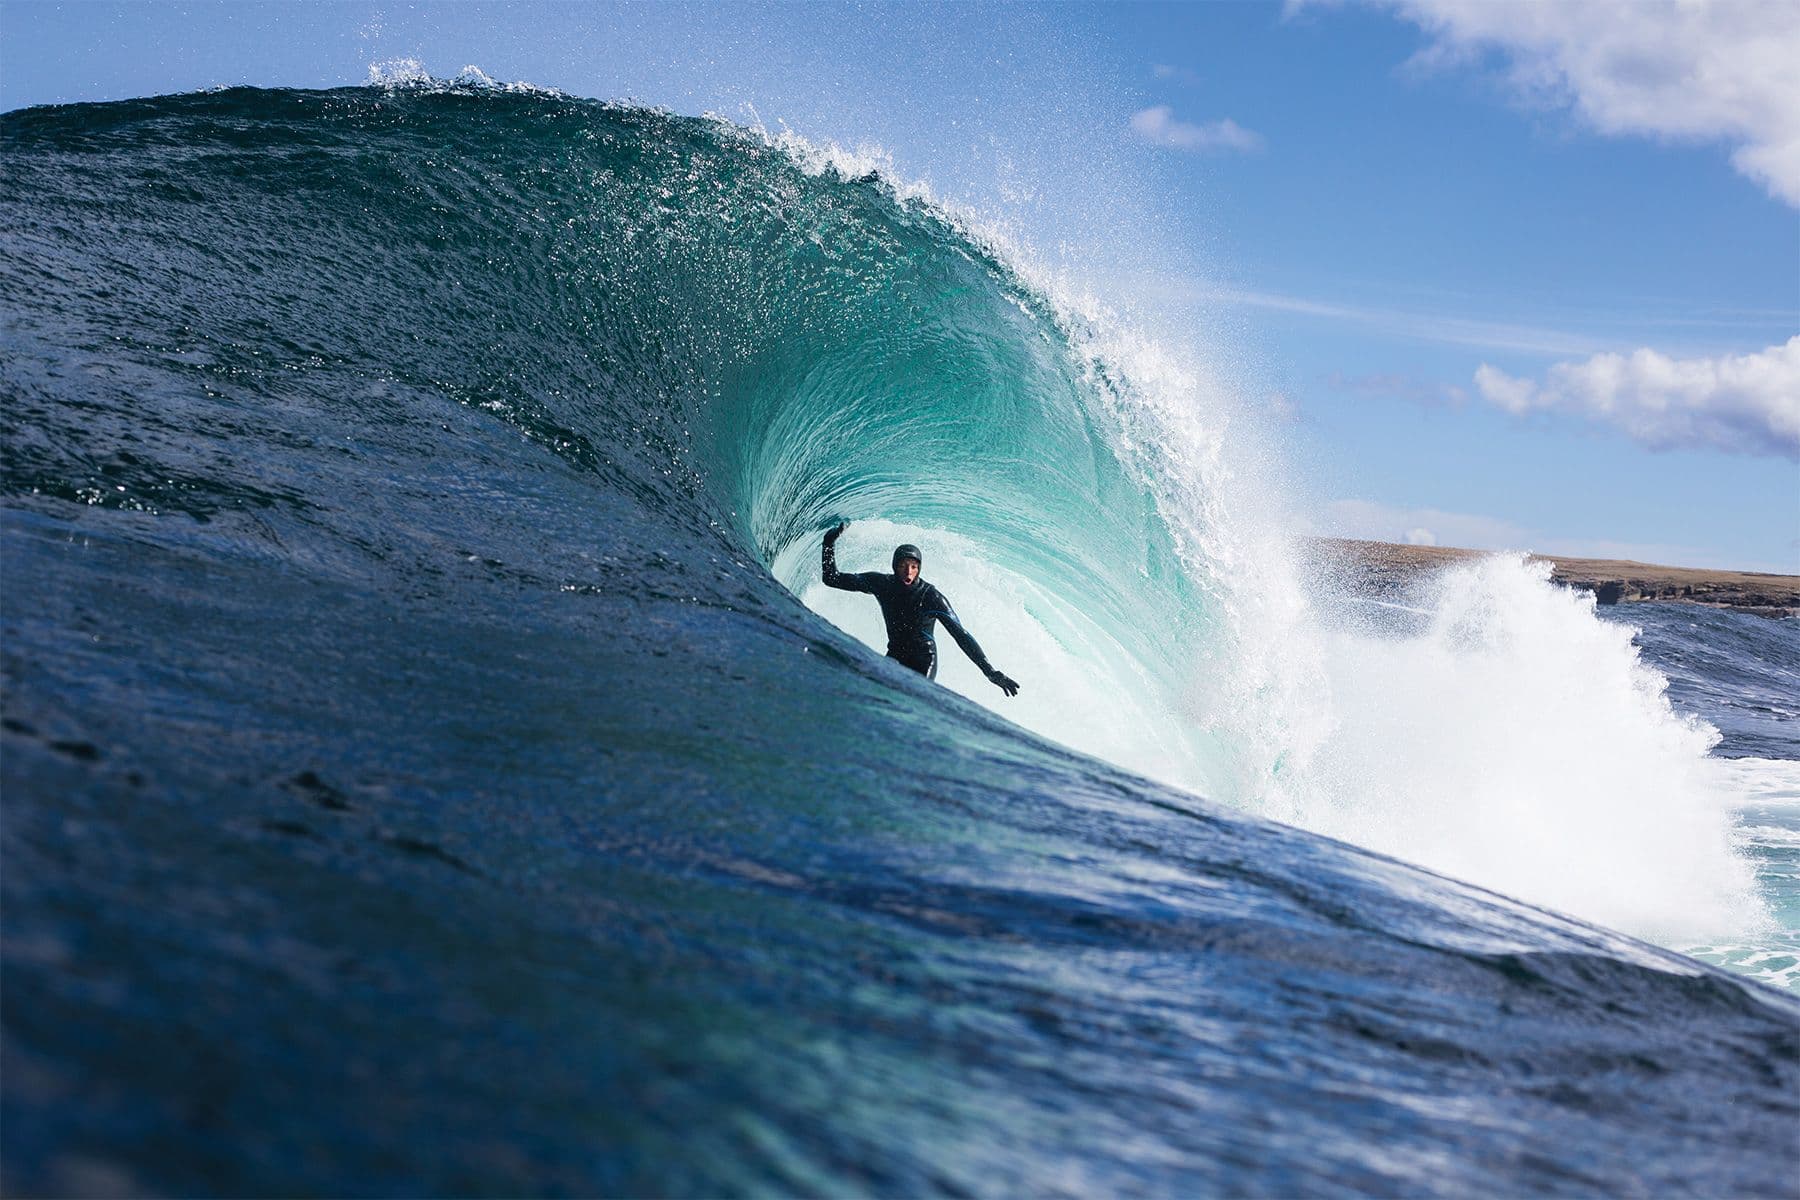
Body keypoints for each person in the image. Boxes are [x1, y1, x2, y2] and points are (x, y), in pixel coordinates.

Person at [821, 522, 1020, 696]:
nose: (909, 572)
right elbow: (831, 579)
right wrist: (829, 543)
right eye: (903, 565)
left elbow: (961, 635)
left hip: (924, 660)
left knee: (915, 697)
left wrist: (990, 671)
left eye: (914, 566)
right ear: (894, 566)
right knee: (876, 691)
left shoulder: (931, 597)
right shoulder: (881, 583)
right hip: (896, 654)